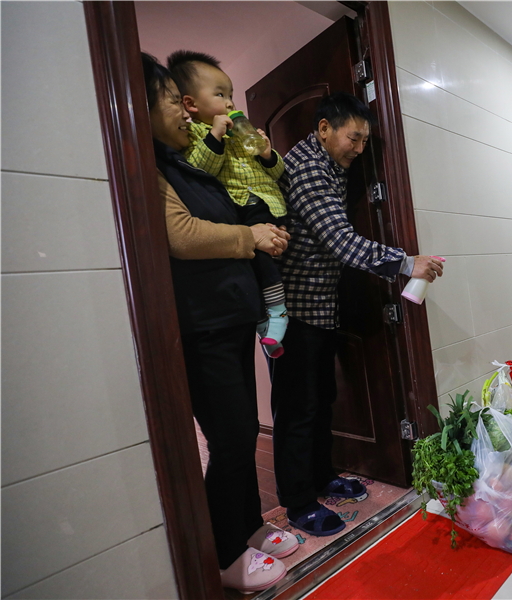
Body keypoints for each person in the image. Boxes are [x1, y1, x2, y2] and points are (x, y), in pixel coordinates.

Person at [142, 52, 298, 593]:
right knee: (231, 440)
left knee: (243, 433)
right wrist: (249, 238)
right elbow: (181, 235)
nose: (184, 114)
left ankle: (249, 528)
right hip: (202, 325)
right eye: (171, 103)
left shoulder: (185, 159)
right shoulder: (150, 166)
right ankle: (223, 554)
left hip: (230, 318)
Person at [271, 92, 444, 536]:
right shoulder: (306, 168)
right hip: (292, 313)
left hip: (322, 306)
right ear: (324, 129)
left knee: (323, 399)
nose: (360, 149)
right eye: (354, 138)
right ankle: (297, 502)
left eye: (366, 141)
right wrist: (408, 263)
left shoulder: (333, 166)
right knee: (298, 409)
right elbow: (341, 241)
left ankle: (322, 476)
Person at [167, 50, 289, 358]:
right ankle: (271, 317)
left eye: (231, 94)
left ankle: (273, 315)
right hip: (239, 209)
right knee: (257, 261)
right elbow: (200, 172)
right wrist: (216, 136)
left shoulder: (241, 135)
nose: (231, 102)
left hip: (267, 204)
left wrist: (266, 153)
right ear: (190, 105)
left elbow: (277, 172)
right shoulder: (193, 133)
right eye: (220, 94)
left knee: (272, 255)